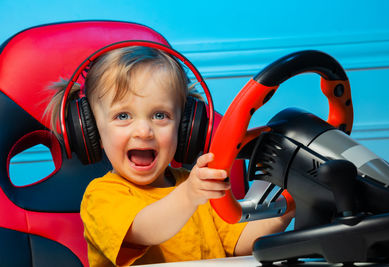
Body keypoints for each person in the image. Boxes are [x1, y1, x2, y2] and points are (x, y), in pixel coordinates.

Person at [46, 46, 294, 266]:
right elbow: (145, 228)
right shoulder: (100, 196)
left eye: (160, 115)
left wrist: (290, 202)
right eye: (123, 116)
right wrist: (190, 195)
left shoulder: (194, 185)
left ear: (185, 128)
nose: (144, 131)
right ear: (92, 132)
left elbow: (240, 243)